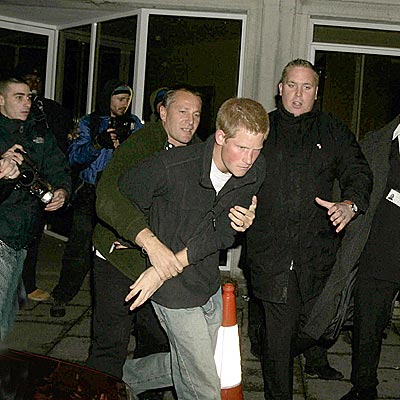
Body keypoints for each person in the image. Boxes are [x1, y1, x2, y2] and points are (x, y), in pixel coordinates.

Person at [87, 88, 258, 393]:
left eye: (196, 114)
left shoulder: (202, 153)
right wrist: (145, 241)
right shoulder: (143, 145)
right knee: (110, 344)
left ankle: (136, 389)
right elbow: (109, 197)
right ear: (163, 113)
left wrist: (240, 216)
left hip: (165, 267)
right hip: (119, 257)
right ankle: (95, 390)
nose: (190, 121)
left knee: (157, 342)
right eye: (182, 112)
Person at [246, 59, 373, 400]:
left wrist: (350, 204)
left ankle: (280, 346)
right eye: (292, 85)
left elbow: (359, 172)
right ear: (280, 88)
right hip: (271, 253)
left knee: (318, 324)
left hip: (318, 253)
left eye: (306, 87)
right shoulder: (261, 129)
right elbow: (233, 170)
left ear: (316, 92)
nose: (298, 94)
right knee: (280, 336)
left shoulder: (333, 131)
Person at [49, 79, 143, 318]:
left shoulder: (133, 123)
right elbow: (74, 157)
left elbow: (142, 157)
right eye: (119, 99)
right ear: (107, 99)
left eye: (127, 99)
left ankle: (121, 303)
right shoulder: (88, 122)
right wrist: (98, 143)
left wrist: (125, 144)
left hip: (120, 195)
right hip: (90, 193)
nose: (124, 104)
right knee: (78, 249)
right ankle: (62, 295)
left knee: (119, 250)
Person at [333, 114, 400, 400]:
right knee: (368, 325)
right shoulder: (377, 142)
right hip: (380, 250)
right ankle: (364, 387)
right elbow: (353, 182)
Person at [0, 77, 71, 339]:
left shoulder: (38, 132)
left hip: (23, 238)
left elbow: (59, 167)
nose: (27, 102)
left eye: (29, 97)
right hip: (2, 235)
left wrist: (62, 192)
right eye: (18, 97)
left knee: (7, 314)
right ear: (1, 100)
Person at [14, 63, 74, 302]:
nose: (33, 85)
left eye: (36, 81)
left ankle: (27, 285)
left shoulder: (45, 112)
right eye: (28, 80)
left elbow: (56, 158)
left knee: (32, 238)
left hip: (34, 191)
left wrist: (62, 189)